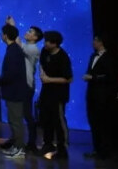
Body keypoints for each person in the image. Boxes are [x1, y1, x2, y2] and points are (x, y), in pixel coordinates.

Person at [39, 30, 73, 160]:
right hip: (46, 92)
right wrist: (42, 74)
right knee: (45, 118)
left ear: (54, 43)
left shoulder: (63, 57)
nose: (45, 44)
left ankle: (62, 148)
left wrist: (49, 79)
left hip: (58, 94)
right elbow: (42, 63)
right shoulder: (45, 51)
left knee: (58, 120)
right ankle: (47, 144)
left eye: (47, 41)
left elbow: (68, 78)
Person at [83, 33, 116, 159]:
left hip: (103, 95)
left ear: (101, 42)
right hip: (92, 93)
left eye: (95, 40)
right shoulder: (93, 56)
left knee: (103, 122)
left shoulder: (109, 57)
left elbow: (110, 76)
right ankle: (96, 149)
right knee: (93, 121)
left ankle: (105, 151)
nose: (93, 43)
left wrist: (94, 77)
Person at [0, 24, 30, 158]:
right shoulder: (13, 49)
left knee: (16, 121)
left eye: (2, 33)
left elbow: (11, 74)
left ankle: (20, 148)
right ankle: (16, 146)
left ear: (5, 35)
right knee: (13, 120)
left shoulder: (13, 51)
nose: (1, 36)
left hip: (15, 92)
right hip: (13, 91)